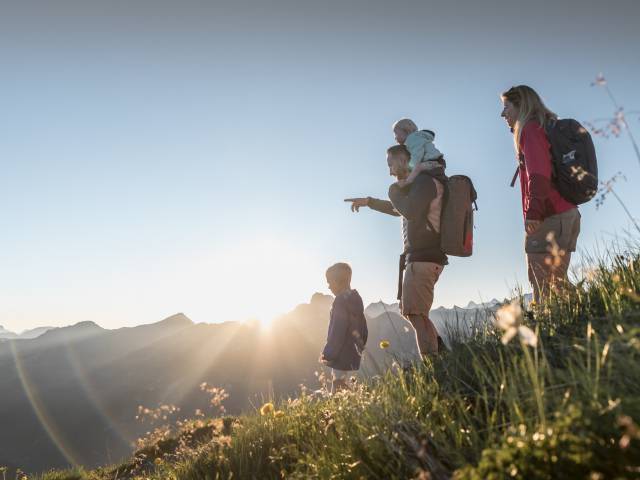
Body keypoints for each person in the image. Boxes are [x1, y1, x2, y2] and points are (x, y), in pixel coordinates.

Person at [345, 145, 447, 358]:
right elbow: (399, 208)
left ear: (403, 160)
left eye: (391, 164)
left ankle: (434, 366)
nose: (390, 171)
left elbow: (408, 211)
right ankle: (442, 356)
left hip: (422, 258)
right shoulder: (418, 186)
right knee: (415, 314)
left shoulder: (424, 182)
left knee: (416, 314)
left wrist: (393, 190)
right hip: (422, 258)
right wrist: (369, 202)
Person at [501, 85, 581, 302]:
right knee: (558, 284)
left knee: (542, 288)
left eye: (506, 107)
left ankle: (548, 335)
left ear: (521, 106)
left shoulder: (530, 129)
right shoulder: (545, 127)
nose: (503, 114)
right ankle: (596, 314)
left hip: (548, 217)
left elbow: (539, 175)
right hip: (567, 215)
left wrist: (533, 212)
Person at [319, 262, 368, 393]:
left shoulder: (340, 301)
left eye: (329, 282)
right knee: (342, 381)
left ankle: (345, 407)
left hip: (340, 352)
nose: (328, 286)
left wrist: (328, 353)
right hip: (352, 351)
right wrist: (361, 344)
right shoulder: (356, 300)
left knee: (338, 383)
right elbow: (363, 326)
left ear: (338, 282)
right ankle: (351, 403)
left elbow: (337, 330)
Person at [392, 118, 446, 188]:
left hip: (432, 161)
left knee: (417, 170)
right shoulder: (417, 138)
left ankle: (407, 182)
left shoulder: (412, 139)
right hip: (437, 161)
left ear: (406, 131)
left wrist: (410, 167)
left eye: (396, 134)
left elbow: (417, 154)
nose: (395, 137)